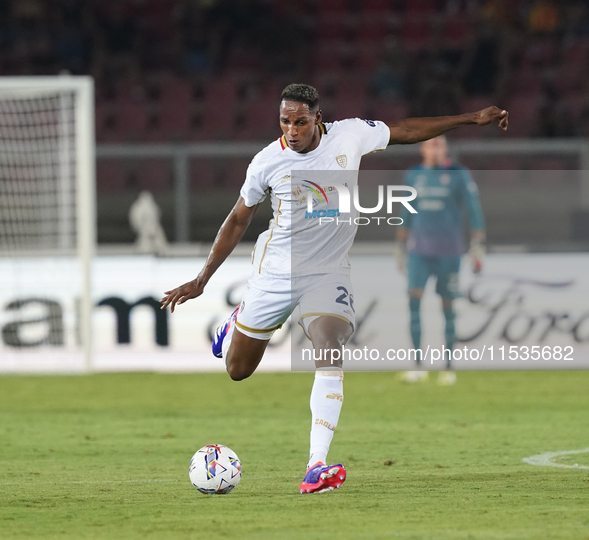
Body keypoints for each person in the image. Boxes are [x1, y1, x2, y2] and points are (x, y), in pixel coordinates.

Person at [160, 84, 507, 493]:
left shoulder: (349, 135)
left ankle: (316, 466)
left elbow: (406, 130)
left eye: (301, 121)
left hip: (328, 272)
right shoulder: (267, 162)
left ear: (317, 119)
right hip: (277, 273)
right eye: (285, 121)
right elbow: (238, 219)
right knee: (237, 371)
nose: (292, 129)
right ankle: (239, 319)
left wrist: (469, 118)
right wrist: (202, 279)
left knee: (329, 348)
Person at [394, 135, 486, 386]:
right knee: (414, 303)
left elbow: (473, 209)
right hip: (419, 252)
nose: (435, 150)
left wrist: (477, 244)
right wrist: (400, 246)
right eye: (430, 145)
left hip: (449, 251)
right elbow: (406, 211)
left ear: (445, 149)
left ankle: (448, 367)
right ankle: (417, 365)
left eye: (439, 145)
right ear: (423, 149)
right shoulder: (413, 175)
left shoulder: (459, 174)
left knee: (448, 309)